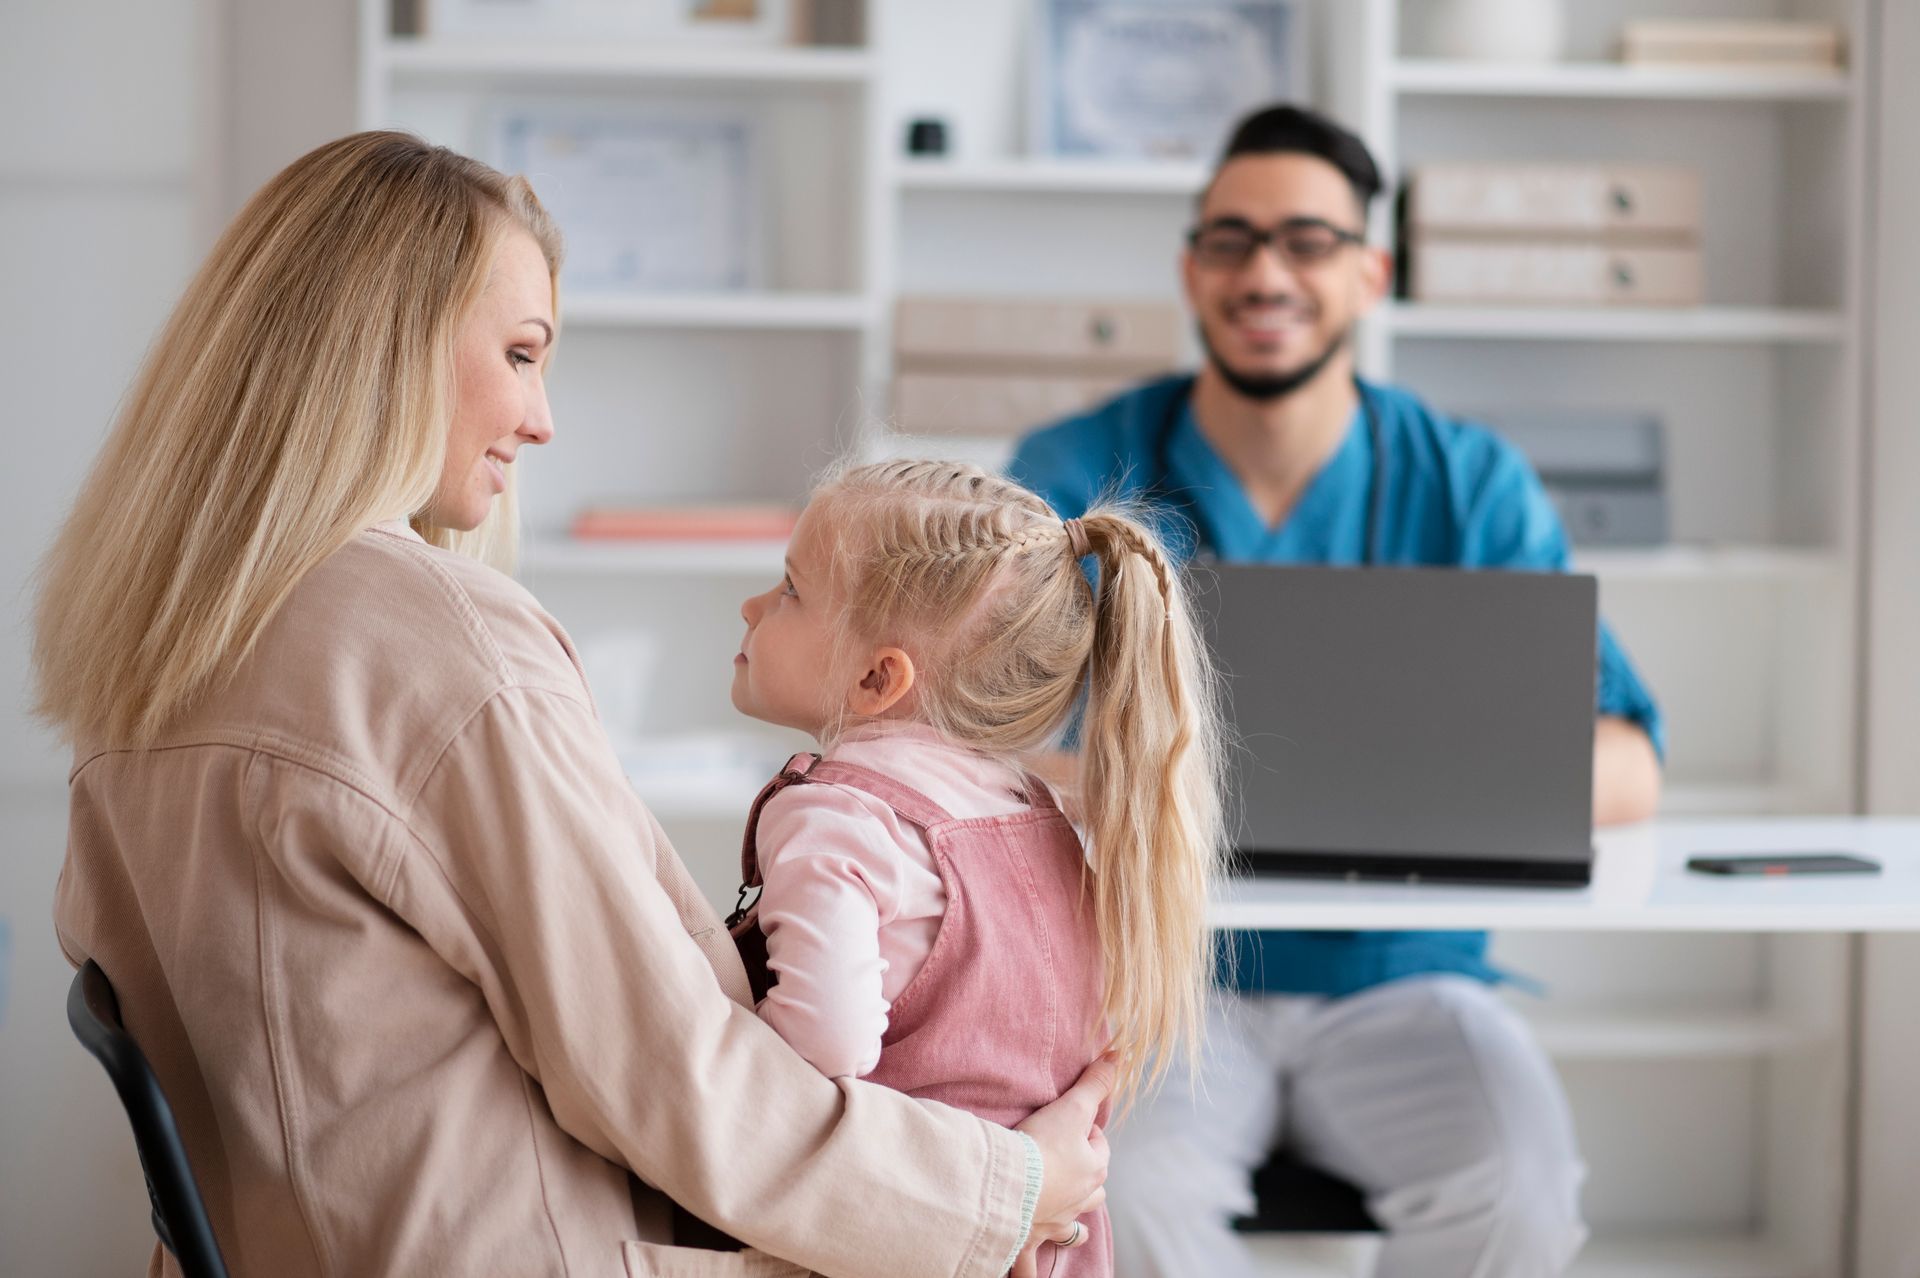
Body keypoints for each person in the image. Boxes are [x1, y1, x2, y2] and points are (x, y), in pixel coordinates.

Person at [33, 131, 1112, 1278]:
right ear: (380, 345)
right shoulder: (429, 641)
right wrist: (1009, 1187)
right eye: (519, 353)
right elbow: (671, 1081)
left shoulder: (157, 647)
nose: (542, 421)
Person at [1008, 105, 1667, 1278]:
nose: (1267, 273)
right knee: (1120, 1211)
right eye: (1233, 240)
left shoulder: (1470, 483)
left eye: (1309, 242)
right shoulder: (1075, 471)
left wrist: (1173, 782)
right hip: (1163, 977)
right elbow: (972, 745)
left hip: (1407, 981)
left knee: (1519, 1197)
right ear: (1191, 268)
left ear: (1371, 273)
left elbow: (1626, 768)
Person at [723, 459, 1230, 1275]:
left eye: (789, 590)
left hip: (911, 1241)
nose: (751, 607)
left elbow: (821, 1050)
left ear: (878, 677)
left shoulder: (837, 817)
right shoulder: (1039, 818)